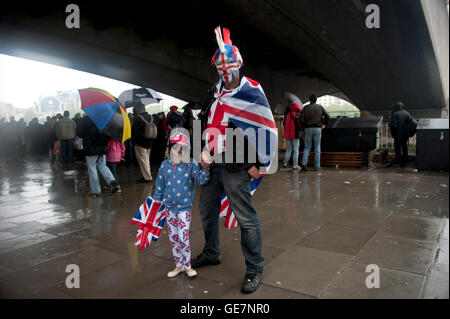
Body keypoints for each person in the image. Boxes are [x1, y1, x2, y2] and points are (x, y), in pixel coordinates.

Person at [194, 26, 272, 294]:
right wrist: (202, 150)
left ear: (239, 64)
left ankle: (255, 267)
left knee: (245, 218)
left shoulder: (251, 91)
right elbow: (207, 120)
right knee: (206, 210)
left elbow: (264, 127)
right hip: (212, 163)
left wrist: (260, 163)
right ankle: (211, 252)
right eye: (221, 68)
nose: (226, 74)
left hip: (237, 164)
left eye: (230, 67)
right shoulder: (214, 91)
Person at [153, 131, 210, 278]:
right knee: (173, 237)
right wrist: (155, 205)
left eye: (182, 148)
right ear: (170, 148)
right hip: (169, 208)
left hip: (184, 208)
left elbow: (202, 180)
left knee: (183, 236)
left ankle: (187, 266)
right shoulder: (164, 165)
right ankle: (179, 265)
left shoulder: (190, 164)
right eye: (175, 147)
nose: (178, 151)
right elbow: (159, 186)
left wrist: (206, 168)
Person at [76, 115, 120, 196]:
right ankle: (114, 184)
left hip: (90, 148)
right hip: (103, 148)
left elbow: (79, 133)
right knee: (103, 166)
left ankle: (96, 191)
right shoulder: (105, 119)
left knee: (92, 169)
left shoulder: (86, 119)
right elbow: (110, 134)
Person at [300, 94, 330, 171]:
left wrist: (304, 129)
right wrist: (324, 124)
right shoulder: (320, 107)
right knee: (317, 147)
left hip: (308, 129)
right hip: (317, 129)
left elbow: (301, 120)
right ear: (316, 100)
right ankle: (317, 166)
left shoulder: (305, 108)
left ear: (309, 100)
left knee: (307, 147)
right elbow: (327, 116)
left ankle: (304, 163)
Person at [131, 103, 155, 183]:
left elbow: (135, 132)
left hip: (140, 143)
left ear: (137, 109)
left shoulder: (137, 118)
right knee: (146, 160)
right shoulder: (151, 117)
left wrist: (133, 142)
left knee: (143, 161)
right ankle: (146, 176)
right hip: (150, 142)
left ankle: (148, 178)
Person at [387, 102, 413, 167]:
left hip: (397, 134)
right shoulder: (407, 113)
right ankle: (405, 160)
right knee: (404, 147)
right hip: (405, 134)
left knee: (397, 148)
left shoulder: (394, 114)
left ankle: (398, 161)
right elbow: (411, 124)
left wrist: (393, 134)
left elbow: (393, 126)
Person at [283, 95, 303, 169]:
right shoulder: (298, 115)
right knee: (296, 150)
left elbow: (284, 124)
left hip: (288, 135)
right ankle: (295, 165)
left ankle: (285, 163)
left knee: (288, 149)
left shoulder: (287, 115)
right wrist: (301, 130)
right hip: (295, 134)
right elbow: (299, 125)